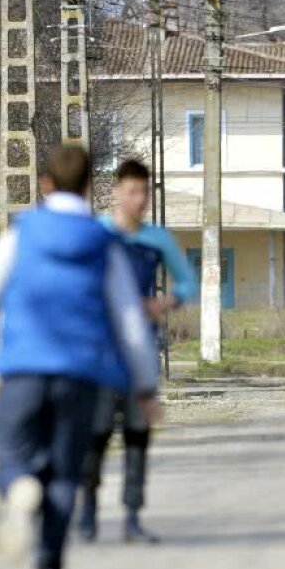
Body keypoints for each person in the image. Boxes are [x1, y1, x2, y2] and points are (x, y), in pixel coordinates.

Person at [0, 146, 159, 569]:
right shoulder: (105, 245)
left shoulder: (21, 235)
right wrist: (144, 385)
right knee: (64, 475)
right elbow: (129, 321)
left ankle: (19, 486)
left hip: (23, 370)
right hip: (80, 376)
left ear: (45, 184)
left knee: (11, 455)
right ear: (87, 187)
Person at [79, 159, 194, 545]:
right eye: (131, 191)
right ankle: (88, 516)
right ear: (116, 192)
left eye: (144, 192)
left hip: (138, 349)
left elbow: (188, 284)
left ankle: (131, 518)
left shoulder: (156, 239)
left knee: (137, 434)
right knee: (93, 434)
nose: (139, 199)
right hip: (97, 350)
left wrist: (162, 304)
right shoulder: (95, 233)